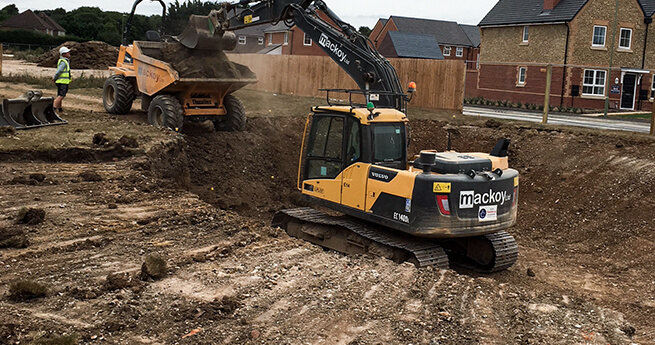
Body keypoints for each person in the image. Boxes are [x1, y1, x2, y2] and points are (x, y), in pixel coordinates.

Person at [52, 46, 71, 114]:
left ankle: (60, 110)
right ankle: (53, 110)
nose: (69, 53)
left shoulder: (65, 61)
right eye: (67, 52)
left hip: (62, 81)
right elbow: (59, 71)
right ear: (64, 54)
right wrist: (54, 78)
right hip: (62, 81)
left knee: (59, 95)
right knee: (61, 95)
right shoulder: (63, 62)